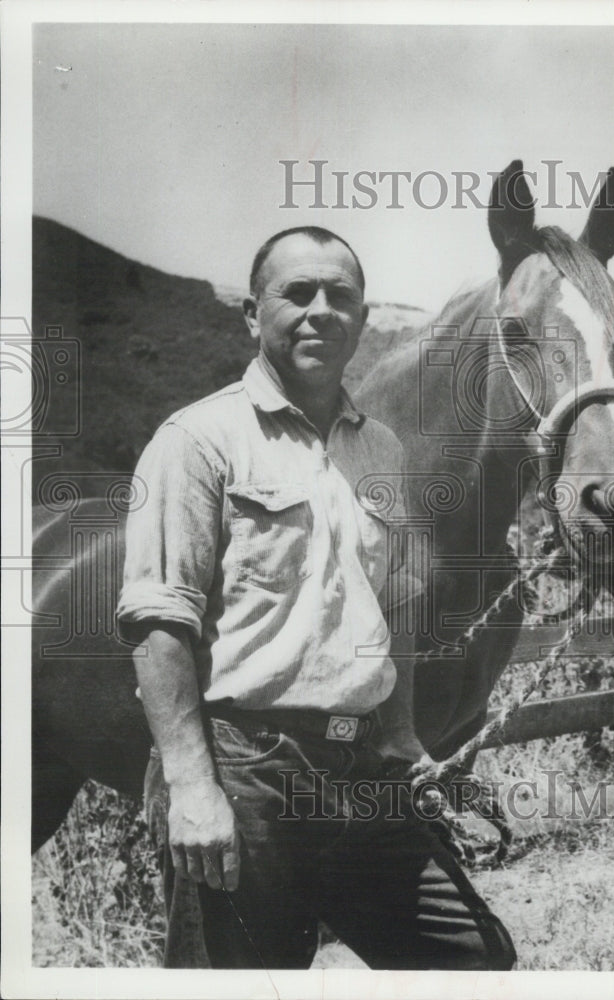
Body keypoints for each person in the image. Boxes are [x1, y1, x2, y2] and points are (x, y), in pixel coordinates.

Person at [116, 226, 515, 970]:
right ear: (251, 313)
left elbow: (392, 608)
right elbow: (158, 621)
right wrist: (192, 786)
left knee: (474, 958)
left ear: (363, 320)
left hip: (363, 772)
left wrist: (399, 738)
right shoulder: (199, 439)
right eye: (296, 293)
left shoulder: (382, 452)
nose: (320, 311)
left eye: (341, 296)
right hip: (247, 770)